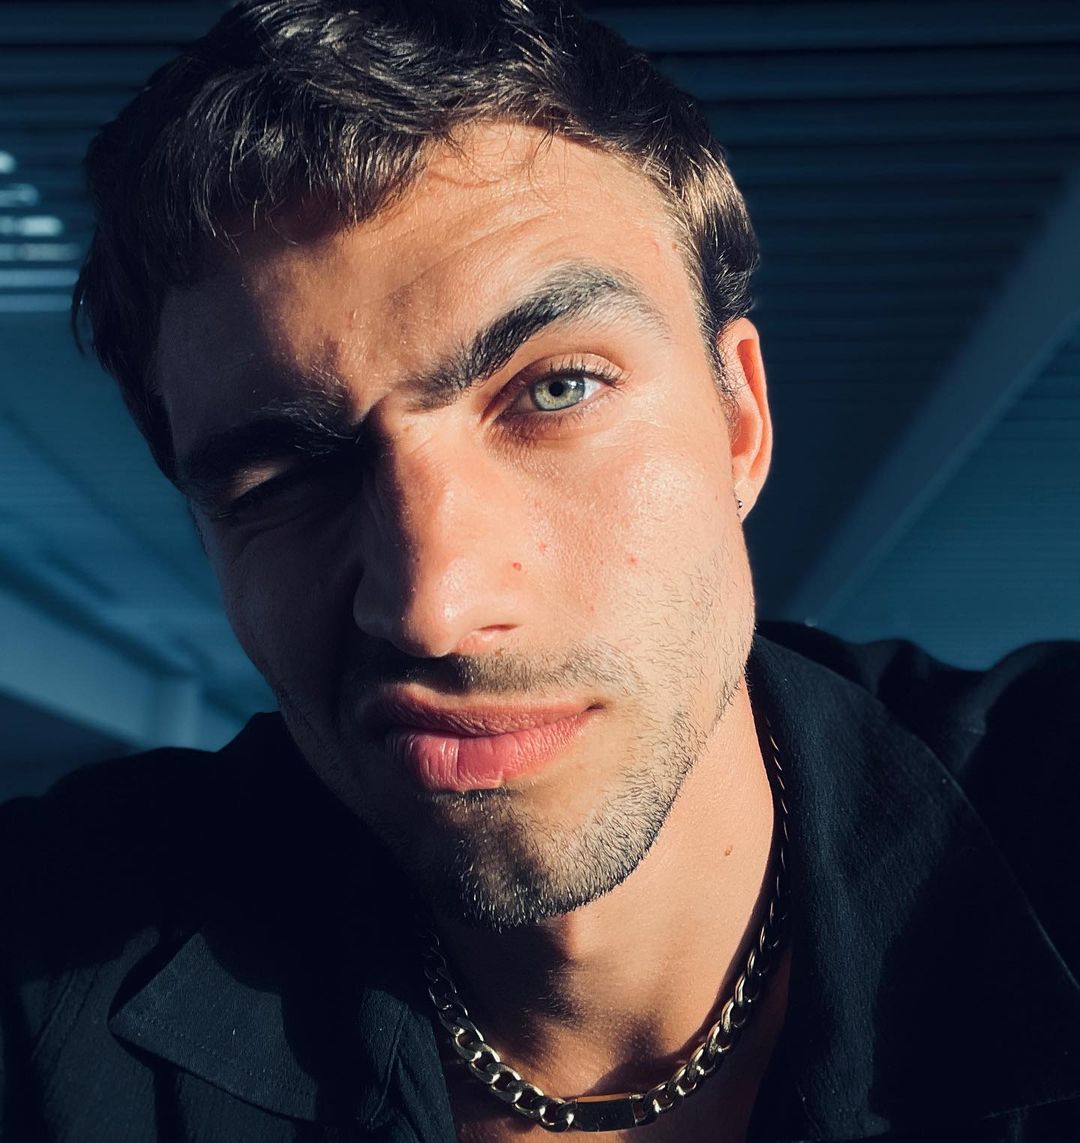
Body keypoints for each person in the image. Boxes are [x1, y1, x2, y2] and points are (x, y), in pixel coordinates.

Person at [2, 1, 1078, 1140]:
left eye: (555, 390)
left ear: (739, 423)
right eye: (285, 474)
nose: (433, 607)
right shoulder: (47, 964)